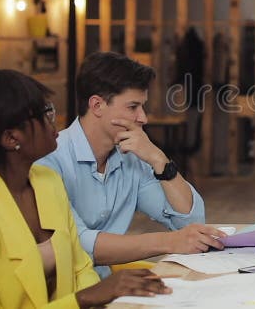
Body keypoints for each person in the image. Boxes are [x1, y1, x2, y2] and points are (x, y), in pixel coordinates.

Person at [0, 70, 169, 308]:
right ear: (11, 138)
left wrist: (99, 298)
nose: (55, 120)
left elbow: (81, 266)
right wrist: (85, 299)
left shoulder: (46, 181)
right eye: (44, 113)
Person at [38, 52, 225, 277]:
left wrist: (159, 159)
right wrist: (167, 242)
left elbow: (190, 221)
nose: (143, 118)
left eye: (142, 107)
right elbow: (78, 243)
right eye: (133, 107)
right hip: (65, 293)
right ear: (97, 105)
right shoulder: (49, 159)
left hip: (105, 284)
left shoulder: (131, 158)